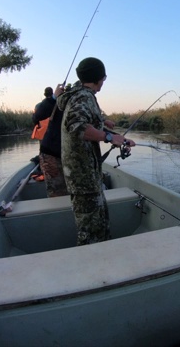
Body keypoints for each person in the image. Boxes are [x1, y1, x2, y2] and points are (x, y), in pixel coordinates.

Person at [58, 57, 135, 245]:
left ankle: (102, 261)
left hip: (87, 177)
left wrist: (119, 138)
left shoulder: (76, 94)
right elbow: (77, 127)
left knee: (99, 225)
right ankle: (91, 269)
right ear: (98, 78)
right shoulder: (83, 97)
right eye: (104, 78)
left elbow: (92, 125)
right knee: (89, 232)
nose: (103, 82)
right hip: (83, 178)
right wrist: (109, 138)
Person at [32, 84, 68, 197]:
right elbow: (37, 116)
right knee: (57, 192)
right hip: (50, 146)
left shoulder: (66, 104)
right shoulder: (46, 104)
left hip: (58, 146)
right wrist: (53, 98)